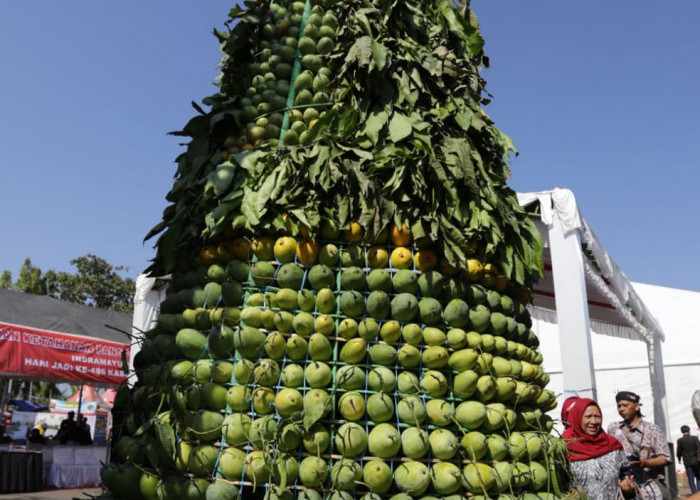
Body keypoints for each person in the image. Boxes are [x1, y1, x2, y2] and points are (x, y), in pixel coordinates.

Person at [561, 396, 636, 500]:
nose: (594, 421)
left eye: (597, 416)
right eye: (588, 416)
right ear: (577, 418)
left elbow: (626, 471)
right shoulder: (564, 448)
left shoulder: (612, 445)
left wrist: (627, 487)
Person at [607, 391, 672, 500]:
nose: (621, 409)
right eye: (619, 406)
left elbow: (666, 458)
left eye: (625, 405)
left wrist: (646, 463)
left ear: (637, 407)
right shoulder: (613, 428)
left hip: (650, 488)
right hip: (624, 487)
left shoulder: (652, 429)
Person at [677, 425, 700, 494]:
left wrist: (679, 458)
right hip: (696, 460)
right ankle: (698, 493)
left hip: (687, 461)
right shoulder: (695, 438)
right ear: (689, 430)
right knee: (699, 477)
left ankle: (694, 493)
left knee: (691, 479)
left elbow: (679, 451)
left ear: (682, 432)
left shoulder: (680, 440)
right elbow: (699, 448)